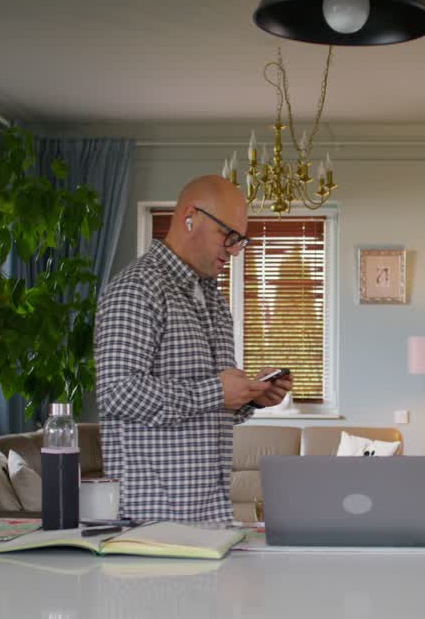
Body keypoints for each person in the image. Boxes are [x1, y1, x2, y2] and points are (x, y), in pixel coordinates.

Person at [95, 175, 292, 522]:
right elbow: (117, 393)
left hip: (211, 515)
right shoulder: (137, 289)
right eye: (227, 235)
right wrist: (216, 391)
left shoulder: (213, 299)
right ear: (190, 217)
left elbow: (211, 405)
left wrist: (250, 397)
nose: (234, 250)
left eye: (239, 240)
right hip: (154, 522)